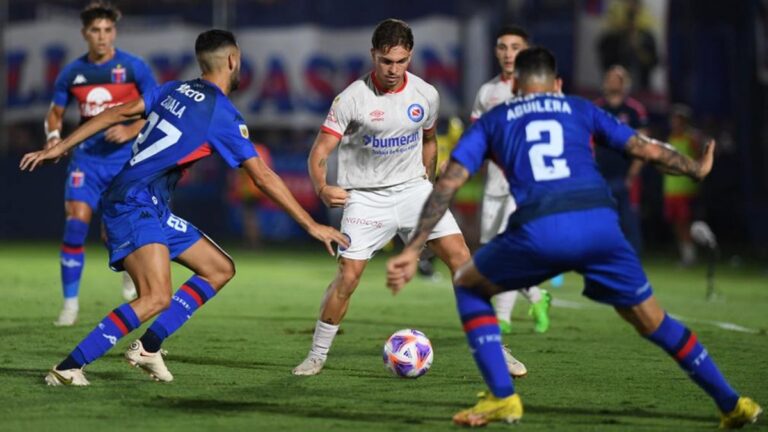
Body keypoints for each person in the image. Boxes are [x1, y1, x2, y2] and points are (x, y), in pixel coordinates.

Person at [386, 47, 761, 428]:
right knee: (653, 320)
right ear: (558, 84)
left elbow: (449, 181)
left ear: (515, 84)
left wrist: (414, 247)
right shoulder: (581, 109)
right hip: (601, 229)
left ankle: (502, 397)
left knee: (467, 284)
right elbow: (644, 148)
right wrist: (695, 168)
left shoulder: (495, 120)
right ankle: (733, 403)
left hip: (542, 229)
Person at [21, 29, 348, 386]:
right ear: (233, 60)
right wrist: (311, 225)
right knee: (156, 297)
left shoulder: (174, 89)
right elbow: (263, 176)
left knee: (218, 268)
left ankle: (148, 346)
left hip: (149, 205)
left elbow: (117, 113)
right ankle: (69, 367)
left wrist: (59, 146)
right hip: (135, 204)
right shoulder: (221, 113)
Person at [292, 18, 524, 378]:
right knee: (348, 277)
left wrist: (428, 184)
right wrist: (322, 187)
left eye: (401, 62)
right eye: (386, 61)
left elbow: (429, 139)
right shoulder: (352, 98)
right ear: (373, 56)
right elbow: (319, 150)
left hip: (414, 191)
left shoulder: (426, 94)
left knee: (464, 261)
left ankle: (495, 348)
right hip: (366, 198)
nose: (393, 69)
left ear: (410, 56)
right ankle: (317, 354)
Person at [46, 2, 157, 326]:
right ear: (85, 34)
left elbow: (158, 107)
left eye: (108, 30)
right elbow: (55, 112)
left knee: (114, 235)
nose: (102, 36)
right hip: (86, 161)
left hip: (125, 163)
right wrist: (54, 136)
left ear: (115, 33)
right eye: (95, 30)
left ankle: (126, 271)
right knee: (76, 224)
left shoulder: (134, 67)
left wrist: (131, 129)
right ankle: (69, 305)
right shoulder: (73, 72)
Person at [472, 26, 551, 334]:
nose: (508, 53)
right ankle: (536, 294)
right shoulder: (486, 92)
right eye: (503, 47)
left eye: (515, 47)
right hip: (494, 184)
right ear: (496, 51)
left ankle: (502, 317)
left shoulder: (539, 89)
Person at [594, 65, 648, 254]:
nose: (612, 82)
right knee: (601, 219)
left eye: (617, 79)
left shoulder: (634, 110)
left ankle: (632, 259)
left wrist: (633, 173)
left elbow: (643, 144)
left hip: (625, 174)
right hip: (601, 175)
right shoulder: (598, 108)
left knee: (629, 220)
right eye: (609, 78)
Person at [664, 104, 702, 266]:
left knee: (684, 222)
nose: (674, 123)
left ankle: (691, 256)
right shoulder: (671, 138)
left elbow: (700, 160)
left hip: (685, 189)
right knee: (676, 224)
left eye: (678, 120)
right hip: (670, 189)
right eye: (673, 120)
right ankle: (685, 255)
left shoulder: (691, 138)